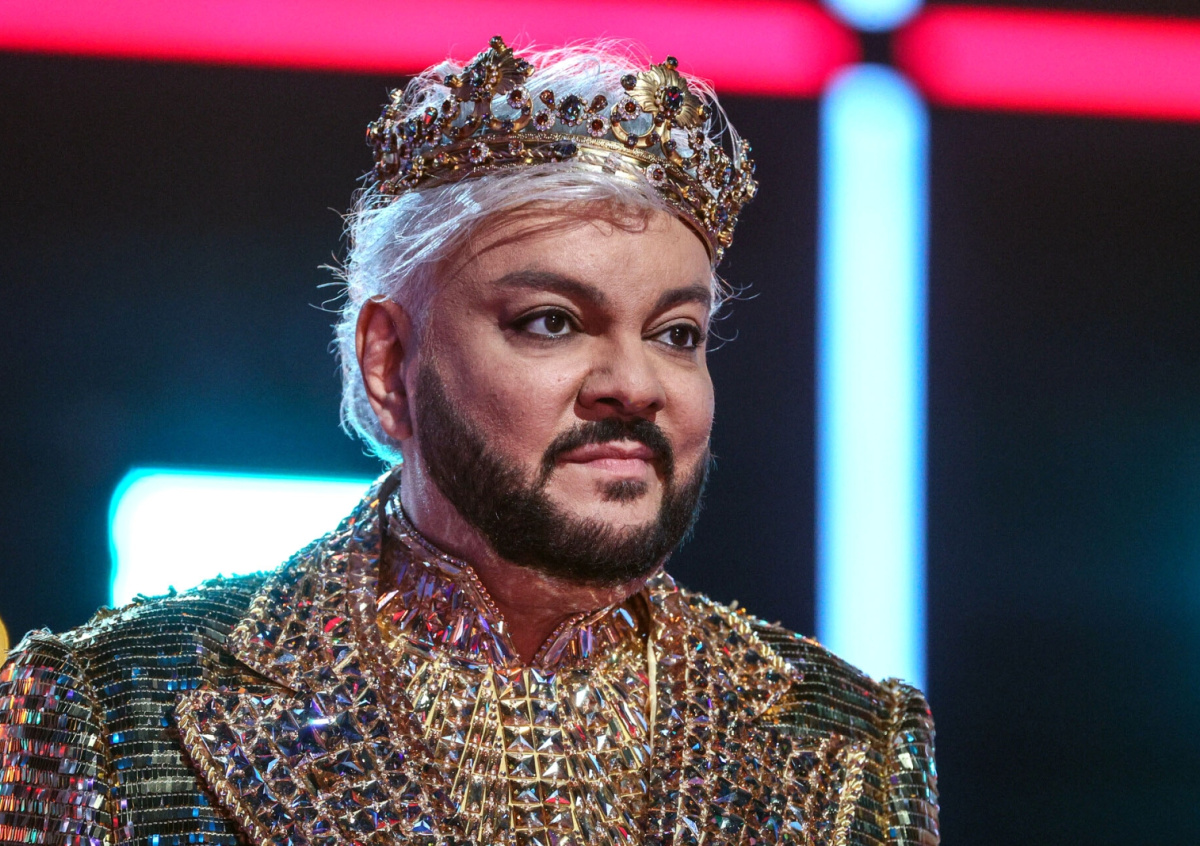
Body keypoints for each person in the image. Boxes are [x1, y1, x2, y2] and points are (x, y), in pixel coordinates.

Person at [0, 37, 938, 846]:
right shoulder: (111, 710)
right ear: (389, 361)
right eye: (550, 321)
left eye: (677, 333)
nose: (635, 384)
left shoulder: (850, 738)